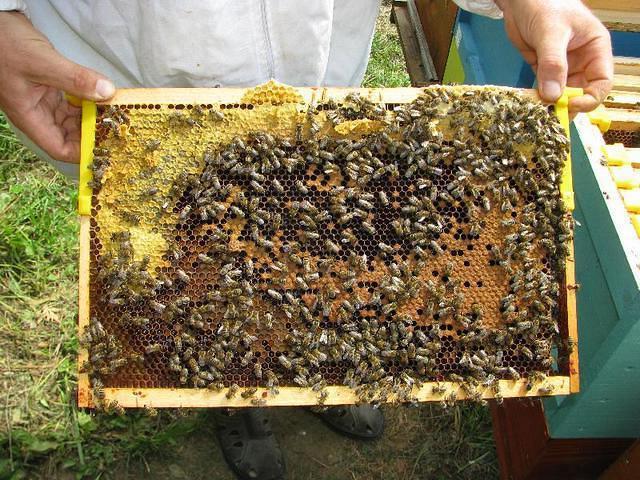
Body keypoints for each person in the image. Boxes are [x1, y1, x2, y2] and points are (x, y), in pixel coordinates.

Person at [0, 1, 612, 479]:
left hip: (319, 79)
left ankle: (336, 368)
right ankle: (237, 391)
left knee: (330, 253)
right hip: (143, 85)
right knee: (206, 277)